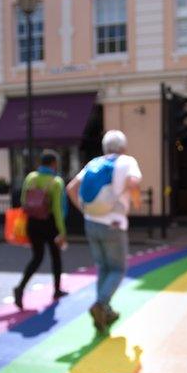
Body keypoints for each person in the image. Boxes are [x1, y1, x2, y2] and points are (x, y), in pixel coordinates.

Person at [67, 130, 142, 333]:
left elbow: (71, 188)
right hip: (114, 223)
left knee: (103, 268)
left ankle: (105, 310)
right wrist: (136, 202)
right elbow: (134, 183)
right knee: (117, 269)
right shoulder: (127, 161)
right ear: (123, 147)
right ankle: (101, 305)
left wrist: (83, 210)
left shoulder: (94, 163)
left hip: (91, 222)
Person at [13, 149, 68, 309]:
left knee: (37, 257)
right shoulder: (55, 182)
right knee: (55, 257)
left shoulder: (31, 178)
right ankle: (57, 289)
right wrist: (62, 231)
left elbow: (24, 200)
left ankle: (20, 287)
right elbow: (57, 209)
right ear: (53, 164)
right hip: (49, 223)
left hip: (32, 223)